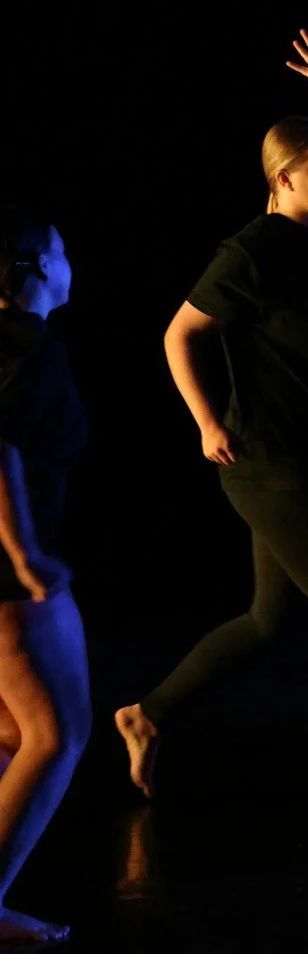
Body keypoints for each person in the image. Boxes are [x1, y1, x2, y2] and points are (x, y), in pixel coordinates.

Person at [117, 30, 308, 808]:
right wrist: (206, 421)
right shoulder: (253, 251)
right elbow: (179, 334)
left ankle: (146, 713)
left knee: (268, 620)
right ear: (284, 178)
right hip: (267, 462)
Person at [0, 212, 89, 944]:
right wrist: (25, 552)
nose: (69, 263)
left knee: (9, 731)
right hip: (9, 573)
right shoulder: (27, 347)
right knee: (57, 733)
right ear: (34, 264)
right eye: (59, 251)